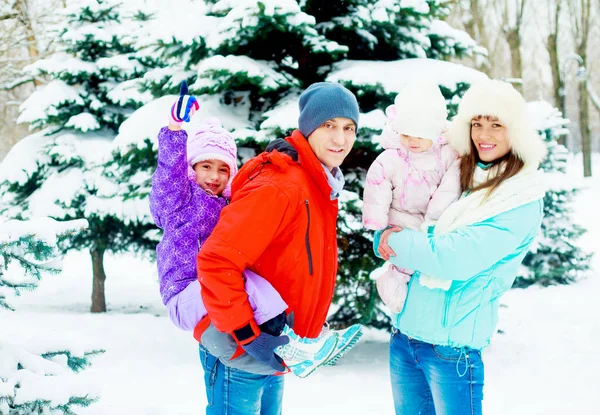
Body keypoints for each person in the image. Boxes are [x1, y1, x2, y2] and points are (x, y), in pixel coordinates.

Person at [149, 82, 362, 381]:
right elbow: (169, 175)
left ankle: (297, 344)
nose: (213, 176)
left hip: (210, 294)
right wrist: (174, 129)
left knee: (257, 285)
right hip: (184, 292)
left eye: (223, 169)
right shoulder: (179, 201)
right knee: (251, 284)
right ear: (191, 169)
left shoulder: (227, 200)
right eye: (205, 166)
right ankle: (293, 344)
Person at [374, 79, 548, 415]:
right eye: (476, 123)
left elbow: (450, 259)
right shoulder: (456, 174)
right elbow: (396, 214)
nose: (484, 134)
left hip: (452, 351)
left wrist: (391, 239)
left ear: (516, 132)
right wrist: (386, 232)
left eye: (496, 125)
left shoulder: (519, 198)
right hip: (405, 337)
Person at [362, 81, 461, 313]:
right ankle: (391, 281)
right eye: (406, 134)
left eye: (420, 136)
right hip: (402, 216)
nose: (413, 142)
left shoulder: (448, 154)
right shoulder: (392, 156)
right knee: (403, 260)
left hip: (434, 218)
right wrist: (376, 221)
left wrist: (437, 213)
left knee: (427, 260)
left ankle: (411, 294)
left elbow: (452, 183)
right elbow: (377, 184)